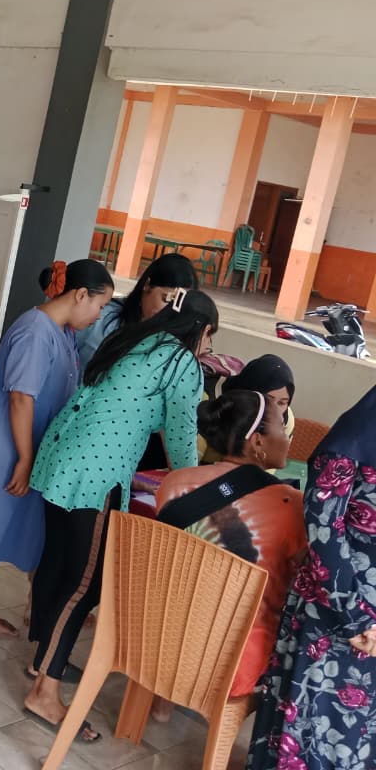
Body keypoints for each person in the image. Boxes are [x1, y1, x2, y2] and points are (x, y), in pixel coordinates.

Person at [24, 288, 219, 741]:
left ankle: (42, 660)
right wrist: (200, 488)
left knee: (58, 563)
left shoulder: (133, 338)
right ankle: (44, 691)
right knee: (86, 584)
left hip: (60, 457)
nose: (209, 348)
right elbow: (181, 444)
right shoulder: (181, 363)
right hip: (97, 474)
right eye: (211, 338)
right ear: (202, 330)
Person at [0, 260, 113, 652]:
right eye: (99, 305)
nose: (98, 315)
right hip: (1, 436)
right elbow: (20, 399)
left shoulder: (63, 331)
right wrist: (25, 459)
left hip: (22, 436)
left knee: (0, 523)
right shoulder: (35, 330)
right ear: (80, 295)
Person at [247, 386, 376, 770]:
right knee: (316, 737)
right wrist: (355, 615)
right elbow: (322, 522)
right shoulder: (362, 429)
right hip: (342, 611)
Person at [156, 390, 302, 714]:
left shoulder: (174, 484)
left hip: (157, 639)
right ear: (258, 441)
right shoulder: (291, 506)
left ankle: (161, 704)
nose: (288, 437)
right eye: (282, 427)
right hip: (232, 663)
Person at [76, 253, 197, 469]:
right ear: (147, 285)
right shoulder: (102, 316)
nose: (170, 311)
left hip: (117, 448)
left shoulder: (168, 345)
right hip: (75, 425)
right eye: (166, 299)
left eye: (178, 304)